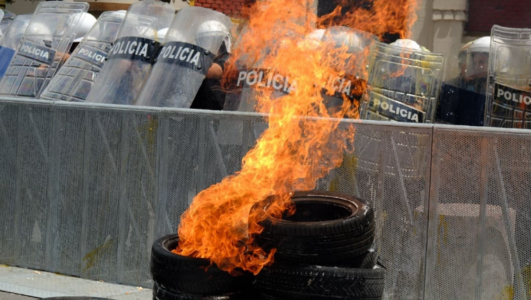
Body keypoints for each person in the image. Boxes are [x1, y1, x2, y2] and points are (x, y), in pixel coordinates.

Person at [190, 20, 231, 110]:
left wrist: (186, 63)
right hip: (196, 113)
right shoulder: (201, 59)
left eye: (212, 40)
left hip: (218, 115)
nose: (208, 45)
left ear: (222, 43)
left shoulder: (228, 59)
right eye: (204, 41)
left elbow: (210, 71)